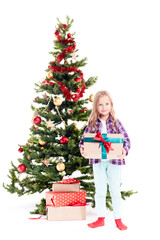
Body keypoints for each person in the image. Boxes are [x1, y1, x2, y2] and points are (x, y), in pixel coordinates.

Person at [79, 90, 131, 230]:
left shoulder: (116, 122)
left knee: (115, 190)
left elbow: (126, 139)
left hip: (114, 162)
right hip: (98, 162)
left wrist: (124, 150)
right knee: (100, 190)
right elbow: (83, 141)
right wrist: (83, 149)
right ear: (96, 106)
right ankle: (100, 218)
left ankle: (118, 219)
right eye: (100, 104)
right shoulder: (91, 124)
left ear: (111, 105)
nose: (104, 107)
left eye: (107, 103)